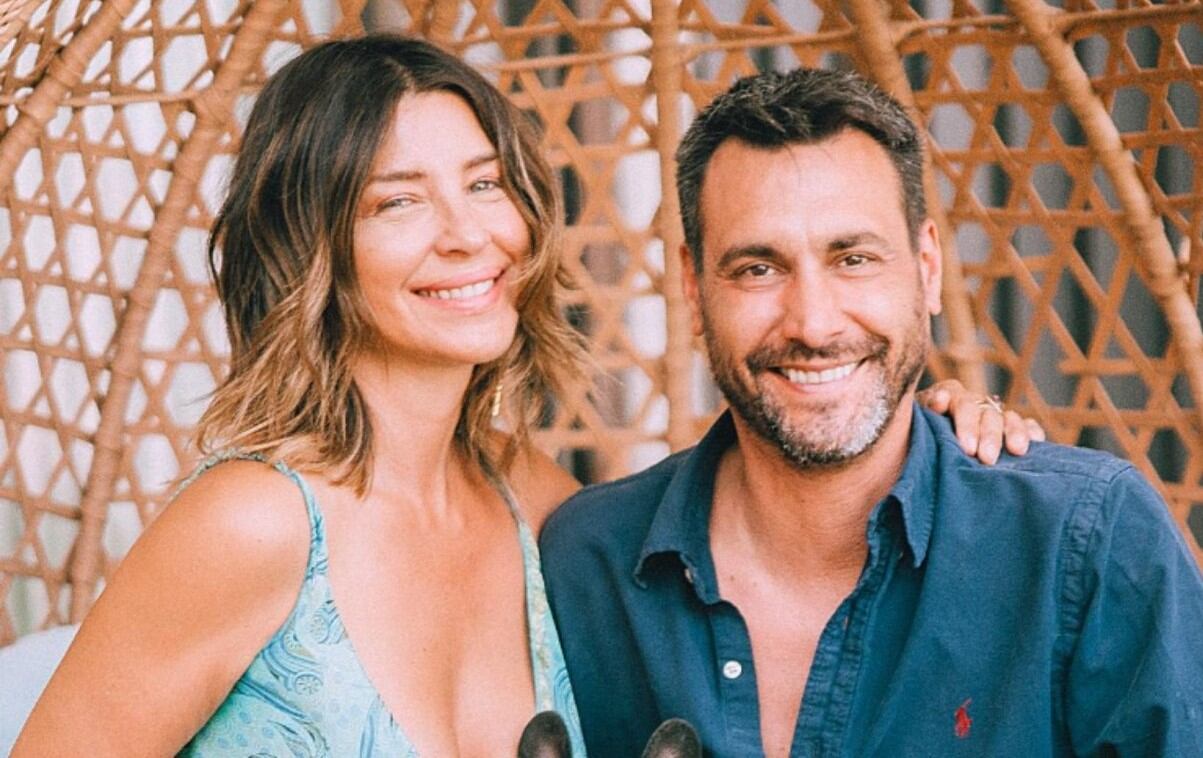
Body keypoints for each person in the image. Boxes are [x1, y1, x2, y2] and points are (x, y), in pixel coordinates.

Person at [12, 36, 1039, 756]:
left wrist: (908, 428)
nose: (468, 234)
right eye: (398, 201)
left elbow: (739, 525)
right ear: (309, 243)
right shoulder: (254, 523)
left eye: (484, 183)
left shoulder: (526, 498)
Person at [539, 67, 1203, 757]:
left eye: (853, 259)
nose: (813, 323)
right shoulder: (588, 566)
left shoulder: (1082, 544)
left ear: (927, 269)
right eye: (758, 269)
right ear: (692, 286)